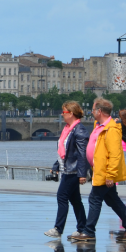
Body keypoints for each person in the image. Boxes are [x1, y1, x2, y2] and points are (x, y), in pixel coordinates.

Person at [69, 98, 126, 242]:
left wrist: (110, 175)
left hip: (105, 172)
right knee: (113, 200)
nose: (92, 112)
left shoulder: (111, 129)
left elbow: (114, 154)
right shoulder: (100, 126)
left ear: (99, 111)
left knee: (94, 199)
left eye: (93, 110)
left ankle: (89, 231)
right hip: (99, 170)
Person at [45, 101, 89, 239]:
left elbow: (83, 154)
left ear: (71, 113)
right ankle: (82, 228)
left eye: (64, 112)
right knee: (75, 200)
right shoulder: (68, 129)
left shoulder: (79, 130)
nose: (62, 115)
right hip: (67, 169)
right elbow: (64, 151)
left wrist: (82, 174)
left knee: (62, 196)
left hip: (73, 171)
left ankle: (58, 228)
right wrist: (56, 166)